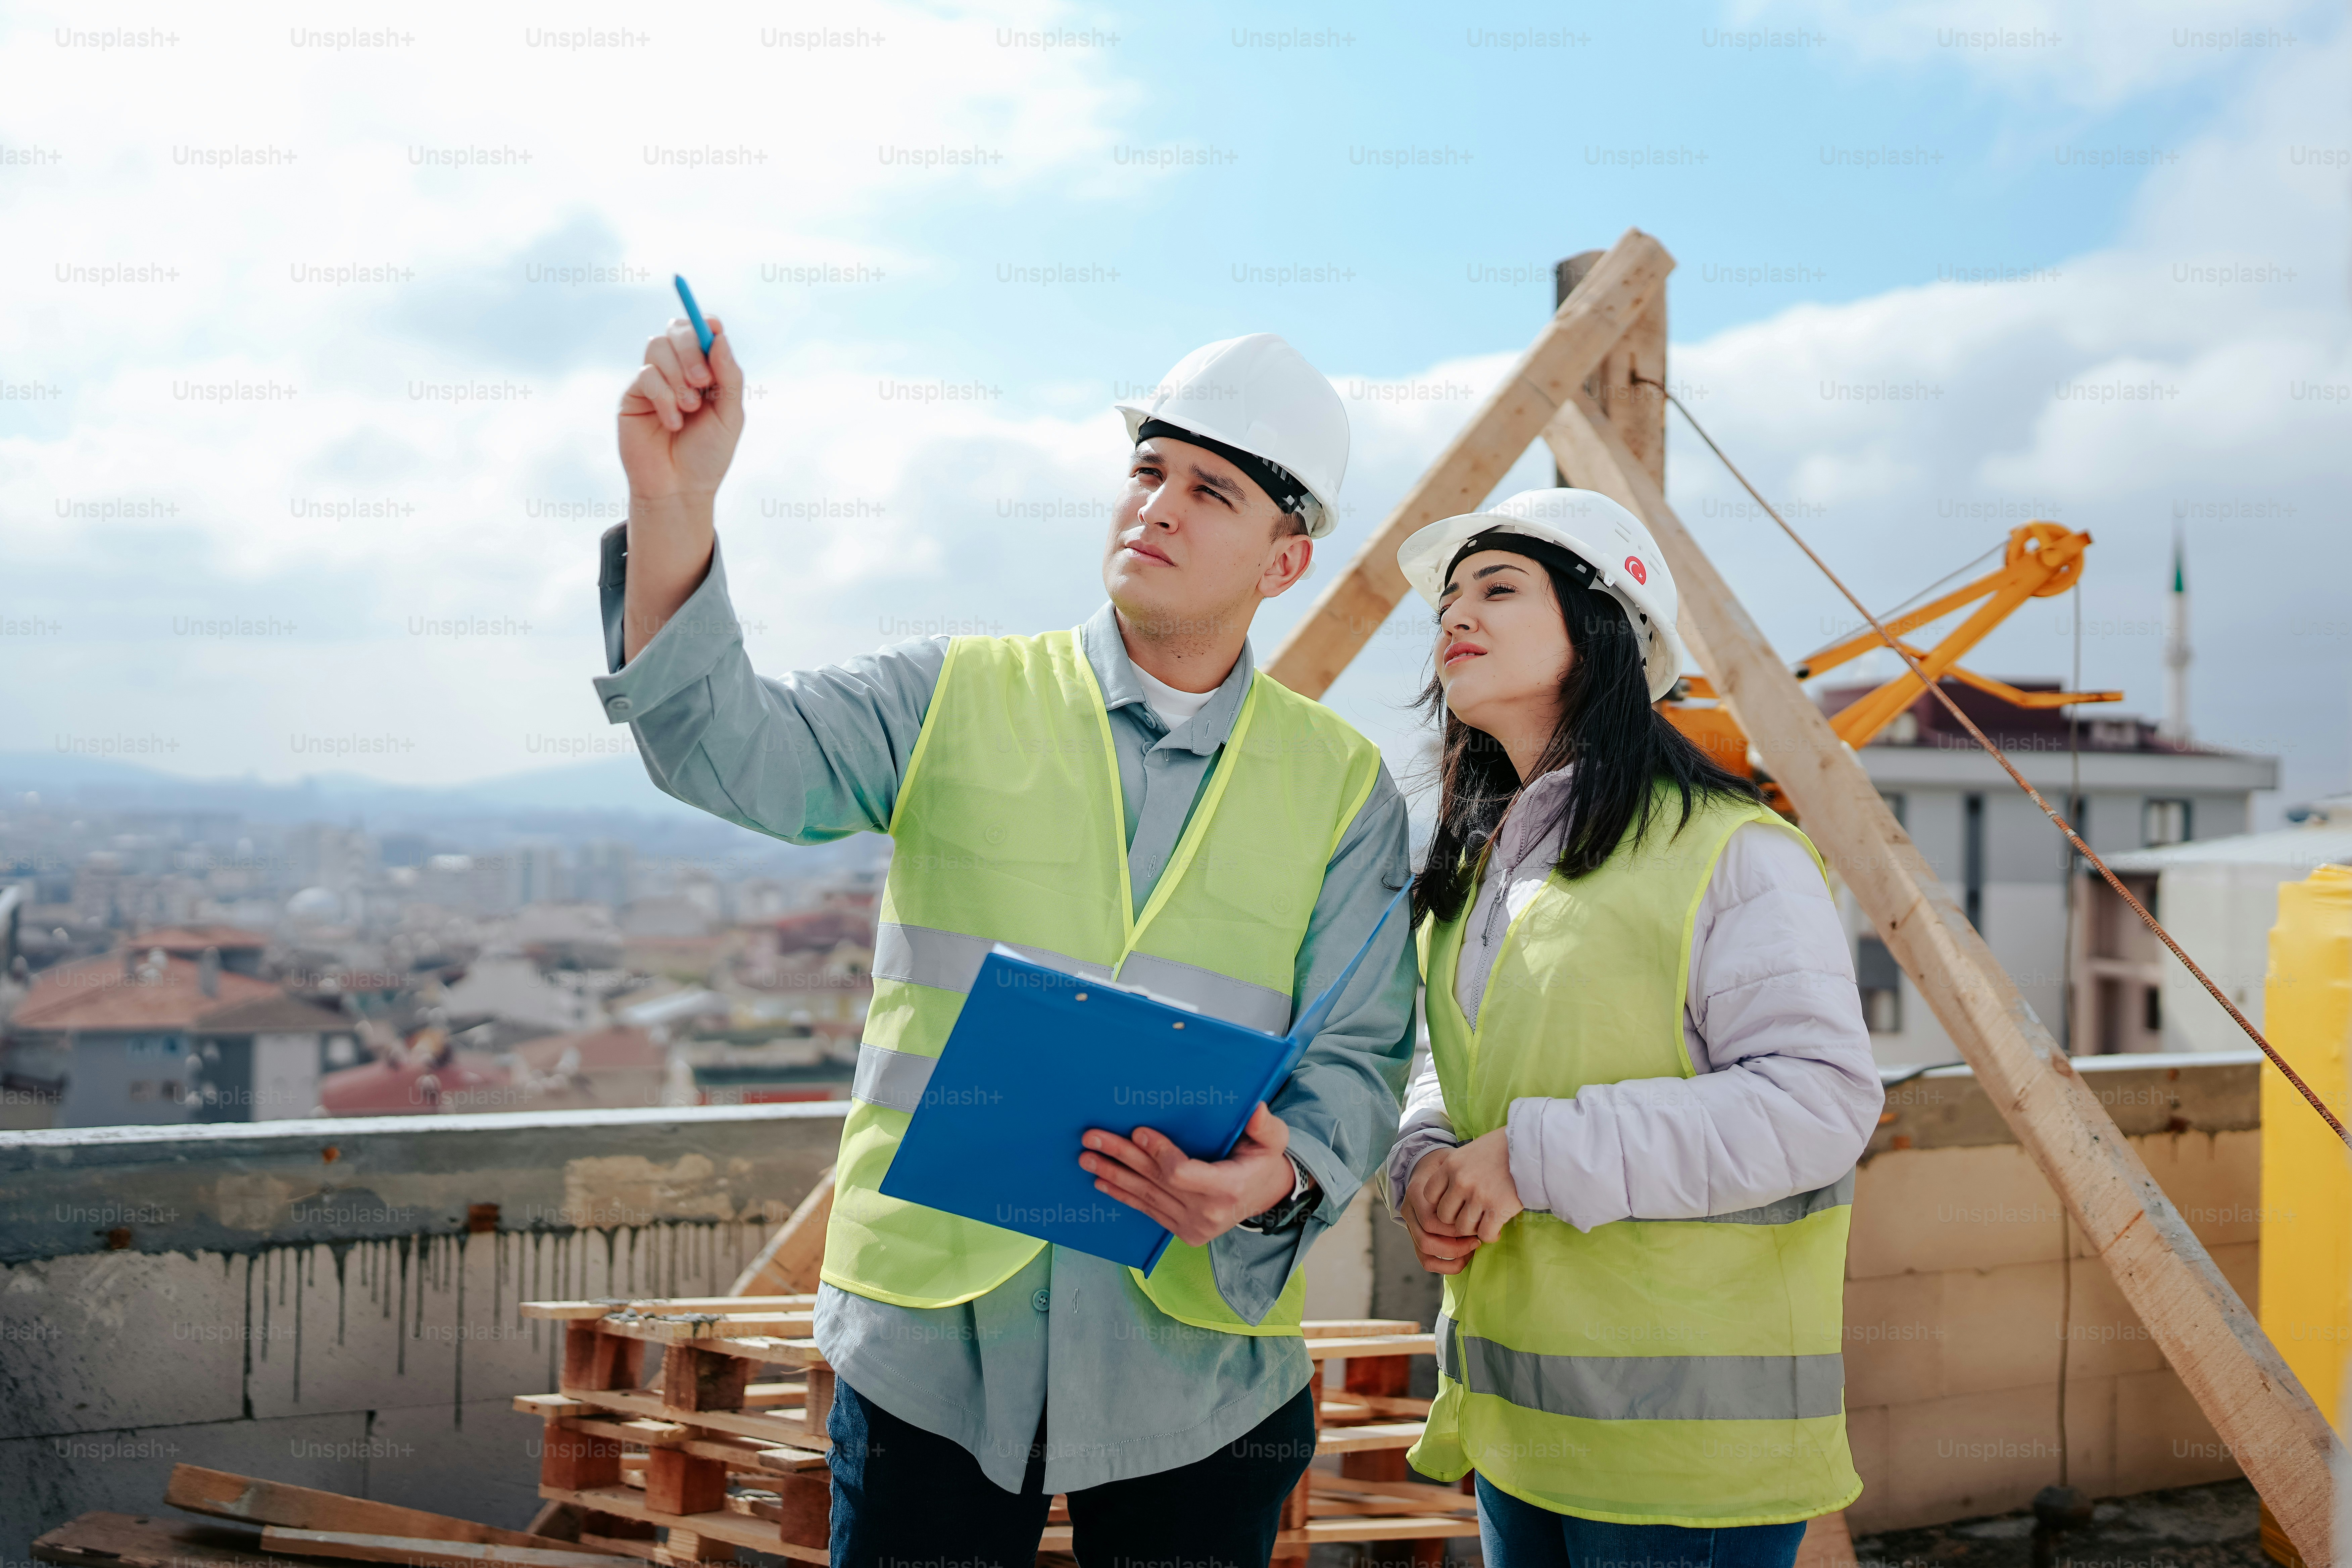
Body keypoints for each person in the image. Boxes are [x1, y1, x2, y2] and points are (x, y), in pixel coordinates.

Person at [599, 315, 1416, 1566]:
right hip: (932, 1340)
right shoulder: (955, 697)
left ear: (1286, 560)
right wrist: (676, 501)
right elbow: (725, 749)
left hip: (1191, 1360)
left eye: (1212, 489)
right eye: (1148, 469)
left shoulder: (1343, 788)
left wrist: (1273, 1178)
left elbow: (1358, 1062)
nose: (1158, 505)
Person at [1381, 488, 1883, 1568]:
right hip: (1523, 1435)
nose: (1454, 616)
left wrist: (1529, 1158)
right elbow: (1458, 1061)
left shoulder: (1732, 851)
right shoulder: (1479, 868)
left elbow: (1818, 1104)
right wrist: (1425, 1161)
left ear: (1605, 631)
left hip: (1683, 1467)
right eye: (1447, 600)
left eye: (1499, 588)